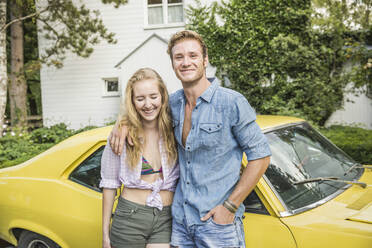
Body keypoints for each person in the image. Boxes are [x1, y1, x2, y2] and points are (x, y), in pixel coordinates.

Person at [110, 30, 271, 248]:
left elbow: (260, 157)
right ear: (173, 64)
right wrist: (122, 124)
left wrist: (230, 207)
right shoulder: (172, 105)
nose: (186, 62)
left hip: (217, 226)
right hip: (180, 225)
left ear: (205, 60)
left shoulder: (231, 103)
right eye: (179, 57)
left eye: (193, 56)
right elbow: (143, 113)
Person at [100, 68, 179, 248]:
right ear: (132, 102)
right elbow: (109, 184)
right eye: (140, 98)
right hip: (129, 218)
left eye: (153, 96)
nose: (148, 104)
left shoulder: (175, 130)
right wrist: (105, 234)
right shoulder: (120, 137)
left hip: (166, 217)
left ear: (163, 97)